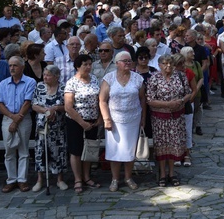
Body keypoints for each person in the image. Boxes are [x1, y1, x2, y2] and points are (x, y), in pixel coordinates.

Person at [99, 51, 146, 192]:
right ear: (117, 63)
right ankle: (114, 179)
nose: (128, 63)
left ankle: (128, 177)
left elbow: (142, 99)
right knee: (115, 150)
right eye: (124, 61)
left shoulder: (138, 78)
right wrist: (106, 119)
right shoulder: (109, 78)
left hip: (133, 118)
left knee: (129, 150)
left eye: (129, 61)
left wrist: (143, 118)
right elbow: (102, 100)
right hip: (114, 119)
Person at [146, 54, 192, 187]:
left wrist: (182, 101)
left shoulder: (180, 76)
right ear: (159, 65)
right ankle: (162, 174)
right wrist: (167, 105)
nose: (168, 66)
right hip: (159, 118)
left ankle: (172, 173)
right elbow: (150, 99)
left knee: (174, 145)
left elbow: (188, 92)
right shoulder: (154, 78)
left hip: (177, 117)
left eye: (170, 63)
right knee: (161, 146)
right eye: (165, 64)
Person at [0, 56, 36, 193]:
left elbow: (27, 102)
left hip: (23, 118)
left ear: (22, 67)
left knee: (24, 150)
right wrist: (12, 118)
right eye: (10, 66)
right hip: (8, 118)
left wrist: (17, 119)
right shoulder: (3, 84)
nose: (12, 68)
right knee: (9, 151)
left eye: (15, 65)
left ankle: (22, 180)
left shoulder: (30, 82)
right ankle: (11, 180)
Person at [64, 54, 102, 194]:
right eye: (85, 64)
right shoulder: (71, 82)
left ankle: (87, 177)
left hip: (93, 121)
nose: (88, 67)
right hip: (75, 121)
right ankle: (77, 179)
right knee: (76, 150)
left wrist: (100, 118)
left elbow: (100, 100)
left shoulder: (95, 79)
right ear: (77, 66)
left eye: (89, 64)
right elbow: (68, 106)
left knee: (89, 149)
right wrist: (81, 122)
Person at [31, 65, 68, 192]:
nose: (45, 77)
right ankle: (40, 180)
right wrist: (46, 111)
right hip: (42, 125)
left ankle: (59, 179)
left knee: (58, 151)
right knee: (40, 151)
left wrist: (56, 109)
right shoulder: (39, 86)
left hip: (58, 127)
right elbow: (34, 105)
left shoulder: (63, 88)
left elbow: (67, 107)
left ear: (56, 76)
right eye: (44, 74)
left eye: (48, 75)